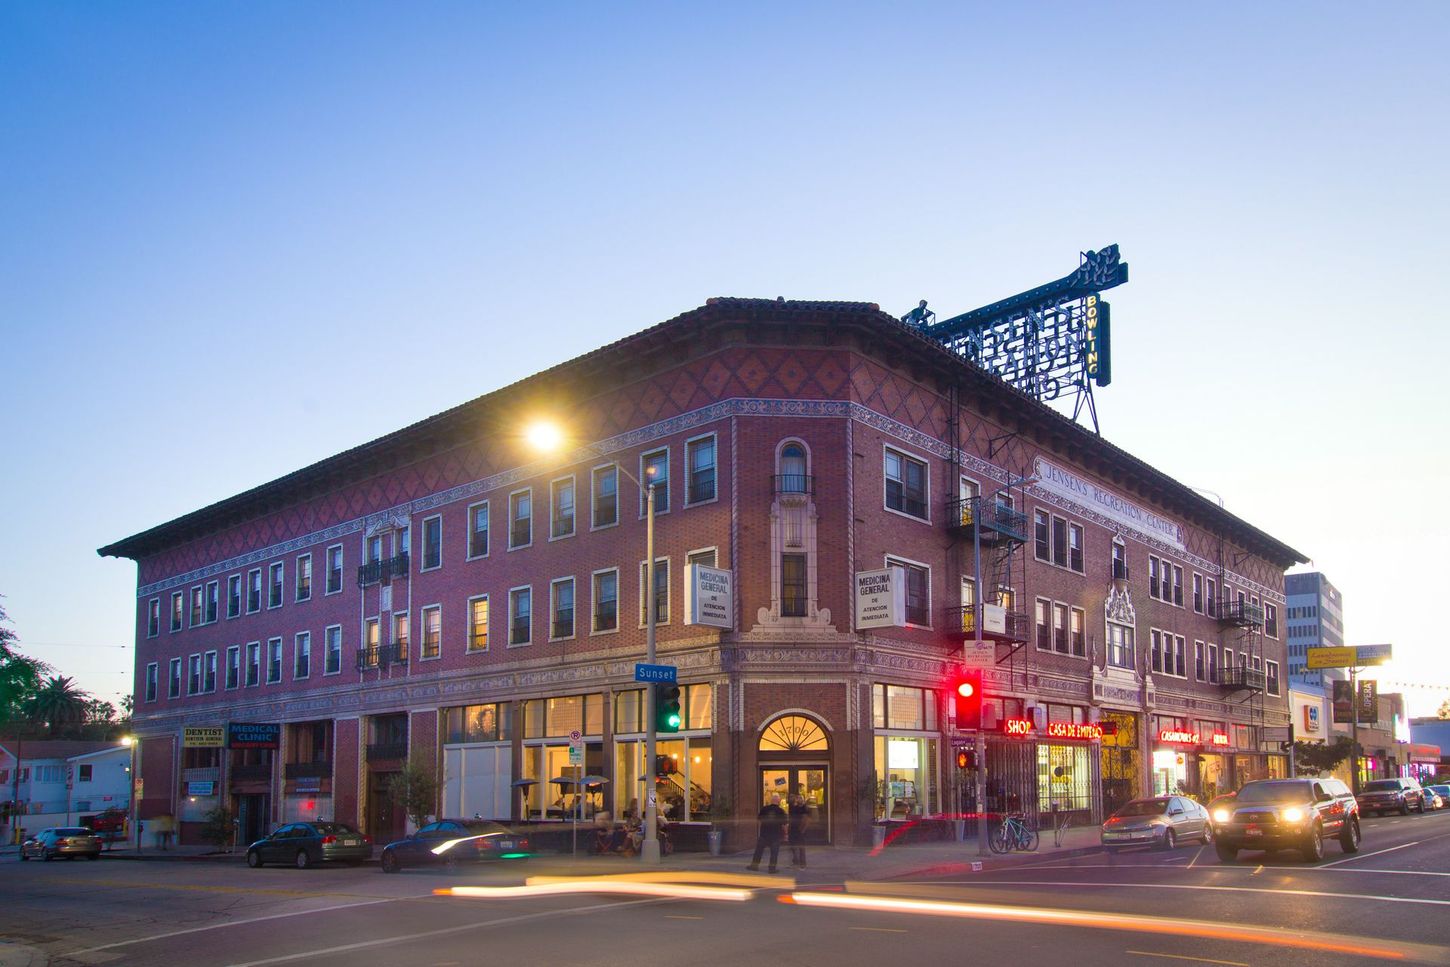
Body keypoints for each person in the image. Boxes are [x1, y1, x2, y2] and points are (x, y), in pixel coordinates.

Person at [747, 794, 787, 873]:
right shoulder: (781, 811)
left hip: (764, 834)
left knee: (759, 851)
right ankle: (772, 869)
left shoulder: (764, 809)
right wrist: (785, 834)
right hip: (775, 835)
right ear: (778, 801)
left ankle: (754, 865)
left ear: (771, 800)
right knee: (774, 853)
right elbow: (784, 824)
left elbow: (759, 820)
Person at [787, 792, 809, 870]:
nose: (799, 799)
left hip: (800, 831)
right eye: (798, 798)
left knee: (801, 848)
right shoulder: (795, 807)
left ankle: (803, 865)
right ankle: (795, 862)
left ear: (803, 800)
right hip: (793, 830)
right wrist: (789, 828)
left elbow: (806, 821)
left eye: (801, 798)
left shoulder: (805, 808)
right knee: (793, 846)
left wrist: (802, 831)